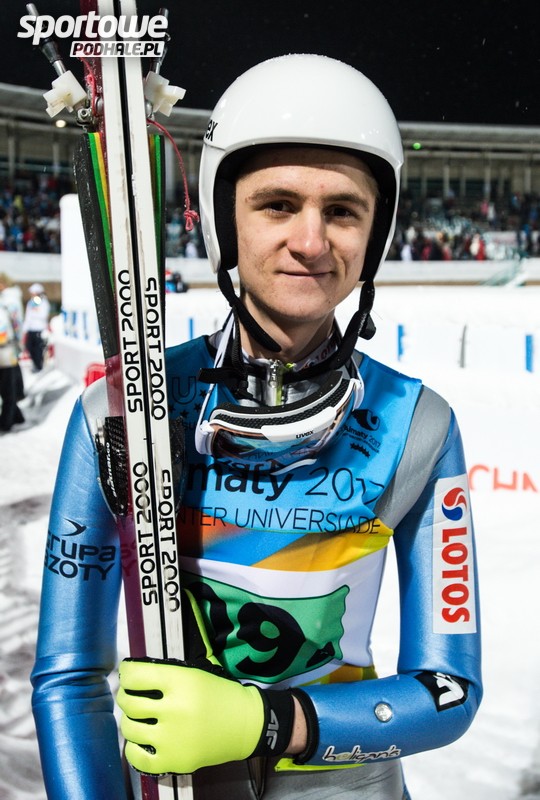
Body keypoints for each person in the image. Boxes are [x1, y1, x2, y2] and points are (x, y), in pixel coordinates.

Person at [31, 55, 482, 800]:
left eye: (343, 211)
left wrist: (270, 723)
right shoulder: (122, 411)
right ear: (223, 222)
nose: (312, 241)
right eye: (277, 204)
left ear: (375, 235)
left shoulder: (418, 425)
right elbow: (69, 677)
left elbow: (450, 690)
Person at [0, 272, 25, 432]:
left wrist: (17, 345)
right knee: (7, 386)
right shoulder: (6, 300)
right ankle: (16, 416)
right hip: (7, 350)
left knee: (7, 387)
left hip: (6, 351)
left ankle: (6, 422)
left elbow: (15, 326)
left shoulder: (8, 301)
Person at [23, 282, 50, 371]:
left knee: (38, 349)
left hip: (39, 329)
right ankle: (35, 364)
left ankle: (39, 366)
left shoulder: (44, 302)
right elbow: (28, 317)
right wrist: (25, 330)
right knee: (30, 347)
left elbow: (43, 315)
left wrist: (35, 313)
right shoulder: (30, 303)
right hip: (31, 330)